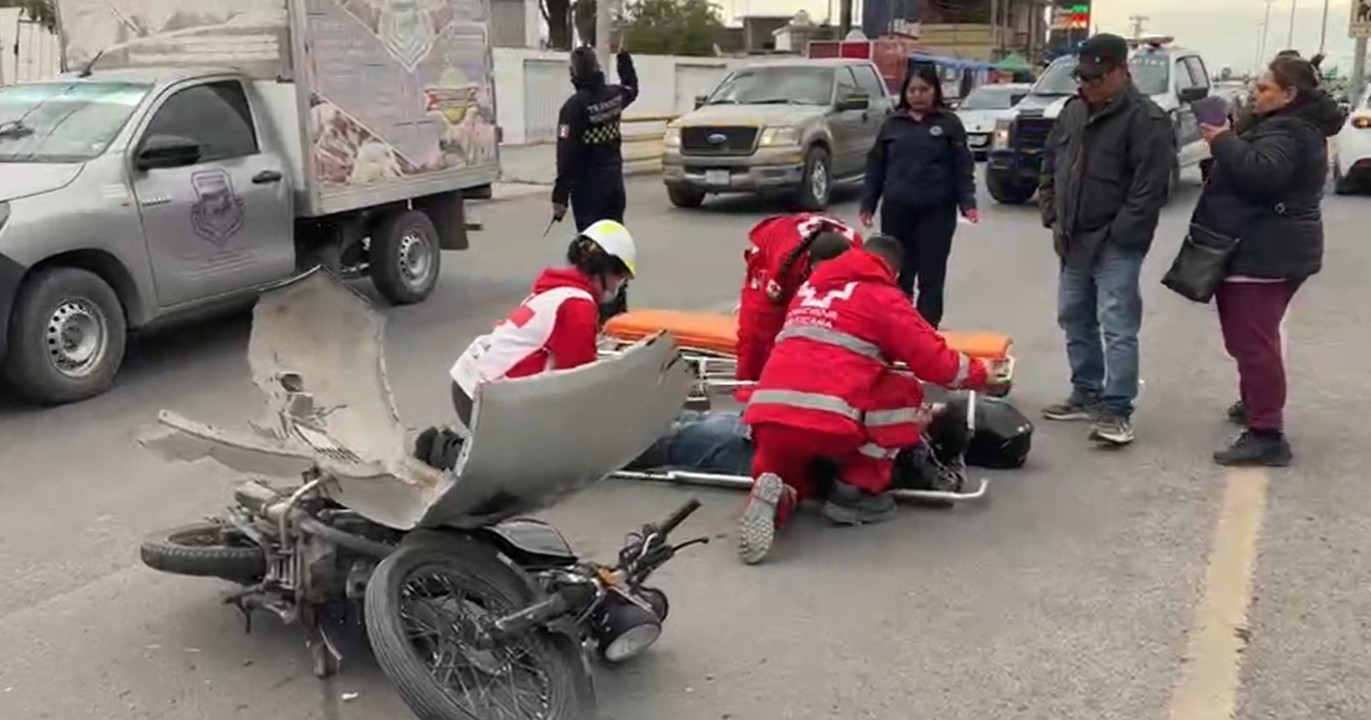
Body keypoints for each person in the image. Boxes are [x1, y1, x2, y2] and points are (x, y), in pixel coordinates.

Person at [736, 234, 998, 565]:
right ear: (896, 273)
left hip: (768, 416)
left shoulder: (809, 290)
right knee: (906, 393)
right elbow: (935, 362)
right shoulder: (883, 296)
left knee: (789, 471)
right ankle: (854, 492)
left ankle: (779, 496)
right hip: (826, 423)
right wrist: (981, 374)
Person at [1191, 55, 1343, 467]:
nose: (1255, 95)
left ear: (1289, 94)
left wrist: (1222, 140)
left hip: (1264, 250)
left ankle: (1266, 431)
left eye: (1264, 89)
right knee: (1253, 338)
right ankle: (1256, 402)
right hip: (1271, 246)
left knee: (1252, 342)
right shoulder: (1290, 126)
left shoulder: (1289, 130)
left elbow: (1262, 174)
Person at [1037, 33, 1174, 447]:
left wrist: (1119, 235)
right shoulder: (1072, 111)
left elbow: (1149, 190)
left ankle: (1117, 409)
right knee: (1074, 316)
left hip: (1116, 242)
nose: (1087, 85)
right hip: (1072, 235)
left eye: (1096, 77)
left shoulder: (1146, 120)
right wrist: (1051, 210)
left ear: (1120, 71)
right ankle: (1086, 391)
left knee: (1117, 324)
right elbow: (1051, 164)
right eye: (1082, 77)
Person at [445, 220, 636, 432]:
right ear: (604, 269)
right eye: (620, 276)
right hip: (486, 398)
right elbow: (578, 382)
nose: (620, 285)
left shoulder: (554, 291)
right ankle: (449, 450)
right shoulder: (577, 306)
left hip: (470, 384)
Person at [625, 400, 975, 495]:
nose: (921, 407)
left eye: (929, 412)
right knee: (684, 422)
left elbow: (944, 479)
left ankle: (596, 450)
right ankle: (606, 423)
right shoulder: (903, 439)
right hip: (763, 426)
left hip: (760, 449)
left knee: (673, 442)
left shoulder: (902, 453)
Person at [858, 61, 979, 329]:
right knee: (899, 272)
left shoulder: (948, 124)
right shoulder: (892, 124)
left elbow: (962, 165)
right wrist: (868, 204)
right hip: (897, 210)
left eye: (924, 89)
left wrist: (967, 202)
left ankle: (926, 329)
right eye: (912, 90)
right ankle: (899, 328)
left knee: (931, 274)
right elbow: (876, 167)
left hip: (937, 211)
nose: (917, 95)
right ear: (904, 92)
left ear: (935, 90)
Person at [736, 214, 861, 397]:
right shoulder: (785, 270)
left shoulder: (858, 256)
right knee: (757, 340)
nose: (830, 278)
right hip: (770, 254)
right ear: (811, 263)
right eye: (826, 272)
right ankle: (747, 397)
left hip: (808, 237)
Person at [551, 42, 638, 233]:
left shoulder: (572, 109)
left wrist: (560, 197)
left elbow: (566, 156)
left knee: (591, 247)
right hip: (614, 185)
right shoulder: (614, 96)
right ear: (596, 68)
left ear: (573, 73)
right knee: (614, 239)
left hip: (588, 192)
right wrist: (623, 58)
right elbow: (631, 88)